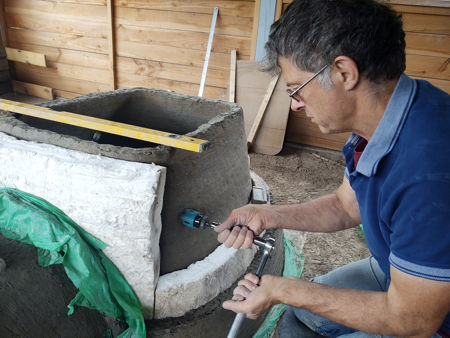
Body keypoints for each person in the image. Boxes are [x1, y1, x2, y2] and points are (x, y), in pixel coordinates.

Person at [214, 0, 450, 336]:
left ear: (344, 73)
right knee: (299, 315)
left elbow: (412, 322)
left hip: (428, 316)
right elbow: (344, 205)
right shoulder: (385, 116)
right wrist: (268, 215)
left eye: (296, 89)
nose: (295, 105)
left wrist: (284, 289)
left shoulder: (429, 172)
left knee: (296, 302)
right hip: (401, 274)